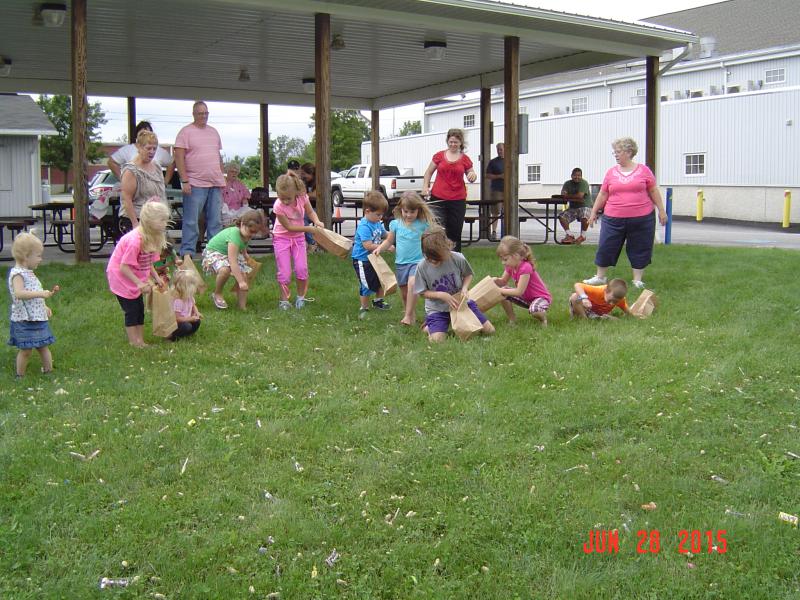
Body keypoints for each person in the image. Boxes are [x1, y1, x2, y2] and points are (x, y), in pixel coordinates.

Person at [583, 137, 667, 289]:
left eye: (618, 151)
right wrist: (593, 212)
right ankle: (600, 277)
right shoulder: (611, 173)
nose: (615, 154)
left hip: (642, 218)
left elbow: (653, 190)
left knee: (640, 246)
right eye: (614, 152)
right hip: (613, 218)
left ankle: (637, 279)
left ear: (629, 152)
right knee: (606, 245)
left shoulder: (644, 171)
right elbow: (602, 194)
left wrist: (662, 211)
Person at [414, 226, 495, 342]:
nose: (434, 262)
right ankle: (431, 326)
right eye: (430, 259)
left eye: (438, 259)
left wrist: (465, 288)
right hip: (438, 309)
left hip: (460, 304)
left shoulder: (457, 258)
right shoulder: (421, 267)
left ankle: (447, 323)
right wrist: (441, 295)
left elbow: (468, 274)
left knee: (489, 331)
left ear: (447, 248)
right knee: (437, 340)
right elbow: (422, 292)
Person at [106, 200, 170, 348]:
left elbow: (148, 262)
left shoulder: (154, 237)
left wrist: (155, 278)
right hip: (121, 277)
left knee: (139, 309)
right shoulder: (135, 240)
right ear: (150, 221)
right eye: (162, 220)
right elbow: (123, 267)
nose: (165, 223)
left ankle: (140, 340)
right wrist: (139, 283)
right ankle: (133, 341)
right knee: (131, 310)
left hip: (134, 275)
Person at [373, 191, 436, 326]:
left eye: (412, 212)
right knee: (405, 294)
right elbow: (389, 241)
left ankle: (407, 316)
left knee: (412, 284)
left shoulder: (423, 224)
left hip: (418, 263)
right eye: (406, 211)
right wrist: (379, 248)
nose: (408, 215)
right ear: (401, 209)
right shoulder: (396, 224)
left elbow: (430, 241)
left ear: (418, 210)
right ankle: (411, 316)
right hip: (401, 264)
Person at [174, 101, 225, 259]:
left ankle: (214, 253)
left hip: (215, 183)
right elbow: (178, 156)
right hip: (195, 182)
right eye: (200, 113)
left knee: (215, 220)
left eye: (206, 113)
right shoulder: (185, 132)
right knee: (191, 220)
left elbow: (218, 156)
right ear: (194, 114)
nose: (204, 116)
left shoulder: (214, 132)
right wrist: (184, 180)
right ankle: (187, 253)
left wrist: (222, 177)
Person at [7, 233, 58, 377]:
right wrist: (41, 294)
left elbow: (34, 296)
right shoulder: (18, 274)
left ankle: (48, 371)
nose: (40, 259)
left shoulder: (29, 273)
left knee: (43, 346)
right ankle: (20, 375)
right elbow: (19, 293)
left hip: (38, 317)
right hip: (24, 319)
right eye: (38, 255)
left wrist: (44, 306)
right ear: (25, 257)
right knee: (26, 350)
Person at [272, 173, 324, 310]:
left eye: (288, 198)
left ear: (295, 192)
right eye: (281, 198)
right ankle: (284, 301)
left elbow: (311, 213)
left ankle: (301, 297)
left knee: (302, 268)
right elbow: (289, 227)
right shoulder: (278, 206)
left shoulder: (302, 198)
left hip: (298, 239)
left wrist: (317, 221)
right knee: (285, 272)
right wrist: (309, 229)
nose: (285, 201)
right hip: (281, 238)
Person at [421, 128, 477, 252]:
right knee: (437, 229)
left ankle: (455, 258)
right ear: (447, 141)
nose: (453, 144)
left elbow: (471, 173)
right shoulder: (439, 156)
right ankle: (438, 255)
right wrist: (425, 186)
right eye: (451, 142)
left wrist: (472, 175)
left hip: (457, 200)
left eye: (456, 142)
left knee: (455, 231)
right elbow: (428, 172)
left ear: (460, 143)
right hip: (438, 198)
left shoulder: (464, 159)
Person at [202, 209, 267, 311]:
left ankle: (242, 306)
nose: (252, 235)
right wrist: (240, 282)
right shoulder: (234, 236)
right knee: (225, 270)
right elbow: (233, 262)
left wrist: (245, 255)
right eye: (251, 231)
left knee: (244, 275)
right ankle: (217, 293)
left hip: (229, 254)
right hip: (215, 252)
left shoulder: (244, 234)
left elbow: (243, 244)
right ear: (242, 224)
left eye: (255, 232)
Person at [493, 235, 551, 326]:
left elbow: (519, 291)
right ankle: (512, 319)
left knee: (535, 311)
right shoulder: (510, 266)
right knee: (503, 292)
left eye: (505, 259)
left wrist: (499, 290)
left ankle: (543, 319)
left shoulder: (525, 267)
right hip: (526, 298)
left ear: (516, 255)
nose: (503, 262)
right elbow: (503, 281)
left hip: (540, 298)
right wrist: (495, 280)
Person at [119, 130, 169, 233]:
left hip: (155, 220)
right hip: (137, 219)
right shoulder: (131, 170)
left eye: (154, 149)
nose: (152, 152)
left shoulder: (157, 166)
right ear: (139, 147)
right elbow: (126, 199)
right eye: (148, 148)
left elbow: (161, 194)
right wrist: (135, 224)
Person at [352, 191, 391, 319]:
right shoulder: (364, 226)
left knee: (380, 280)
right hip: (362, 260)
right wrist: (385, 247)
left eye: (382, 215)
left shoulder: (377, 223)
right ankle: (364, 307)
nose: (380, 217)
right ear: (367, 211)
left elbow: (385, 234)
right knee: (366, 283)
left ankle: (378, 301)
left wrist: (395, 235)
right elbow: (367, 245)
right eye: (378, 214)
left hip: (374, 257)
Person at [107, 120, 175, 182]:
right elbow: (111, 162)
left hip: (154, 190)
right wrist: (122, 179)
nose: (151, 151)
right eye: (142, 134)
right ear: (137, 135)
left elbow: (172, 163)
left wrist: (165, 182)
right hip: (133, 189)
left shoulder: (159, 151)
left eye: (148, 133)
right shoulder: (127, 150)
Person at [558, 167, 592, 244]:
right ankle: (569, 235)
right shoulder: (567, 183)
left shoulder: (584, 183)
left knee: (584, 215)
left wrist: (568, 195)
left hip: (585, 206)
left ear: (581, 176)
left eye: (579, 175)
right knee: (561, 216)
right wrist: (568, 195)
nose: (577, 177)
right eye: (575, 175)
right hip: (573, 208)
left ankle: (583, 236)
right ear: (571, 176)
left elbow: (580, 196)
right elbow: (563, 194)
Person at [170, 267, 203, 341]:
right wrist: (190, 319)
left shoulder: (189, 297)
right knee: (186, 326)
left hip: (186, 319)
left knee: (197, 321)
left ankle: (188, 334)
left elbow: (193, 305)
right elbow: (177, 319)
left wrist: (197, 313)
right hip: (177, 323)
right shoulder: (178, 301)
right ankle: (174, 337)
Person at [485, 142, 505, 240]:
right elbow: (488, 175)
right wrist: (499, 176)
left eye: (501, 149)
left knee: (508, 211)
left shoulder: (510, 161)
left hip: (508, 190)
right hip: (497, 189)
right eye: (498, 150)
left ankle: (507, 231)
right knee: (496, 212)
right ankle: (494, 231)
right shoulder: (493, 162)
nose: (499, 151)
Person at [221, 162, 251, 226]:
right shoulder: (222, 183)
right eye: (232, 171)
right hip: (226, 210)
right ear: (227, 172)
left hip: (238, 210)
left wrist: (245, 198)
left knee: (252, 213)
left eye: (236, 172)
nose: (234, 174)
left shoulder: (240, 183)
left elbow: (247, 193)